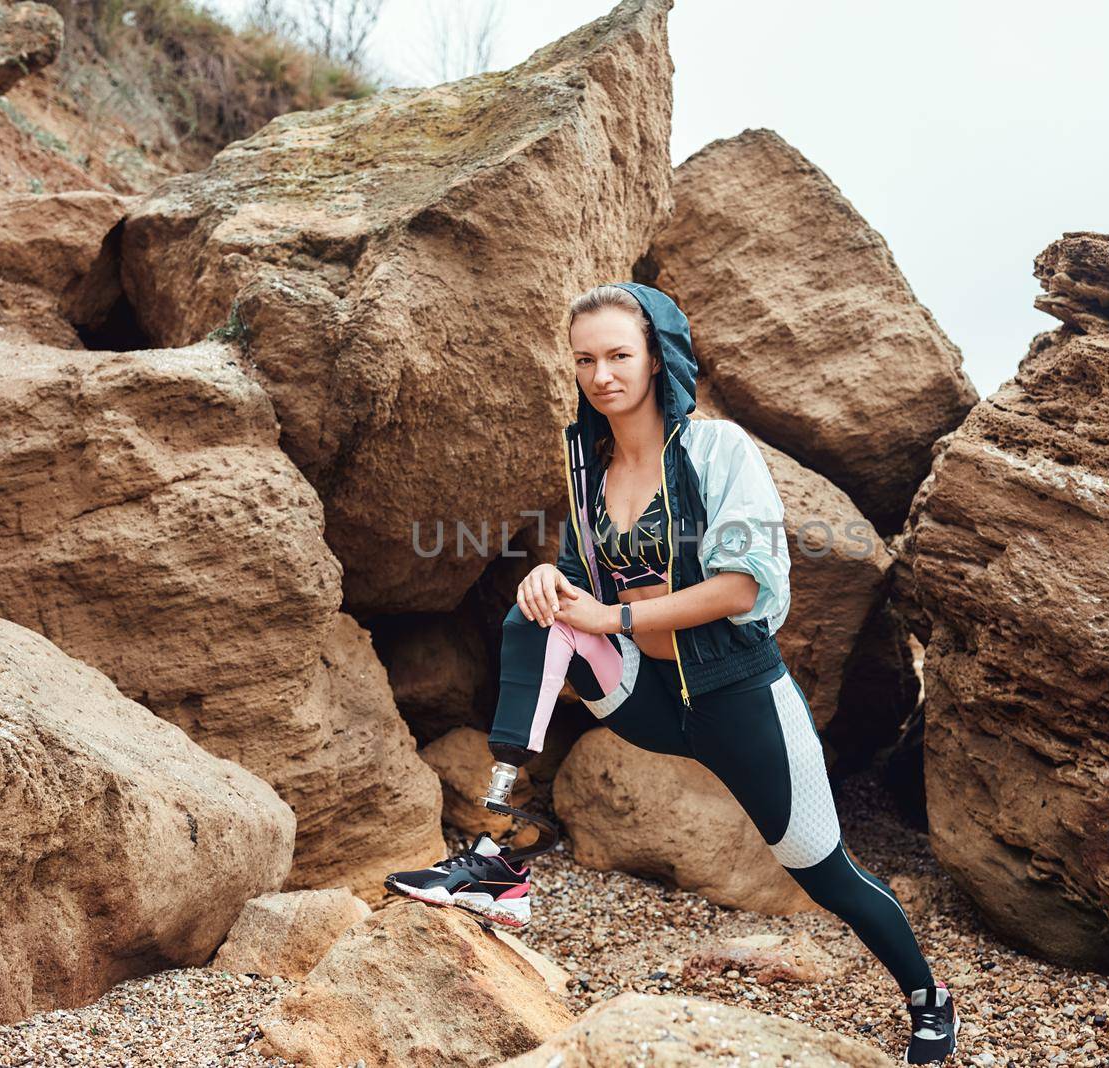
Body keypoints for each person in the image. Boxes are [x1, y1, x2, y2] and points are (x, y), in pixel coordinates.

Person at [385, 282, 959, 1062]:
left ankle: (929, 998)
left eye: (620, 355)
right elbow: (580, 577)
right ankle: (497, 855)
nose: (602, 375)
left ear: (656, 356)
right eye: (585, 359)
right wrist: (550, 582)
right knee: (537, 612)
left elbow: (742, 587)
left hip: (736, 698)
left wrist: (611, 618)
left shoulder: (717, 451)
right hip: (643, 697)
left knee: (827, 876)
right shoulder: (586, 465)